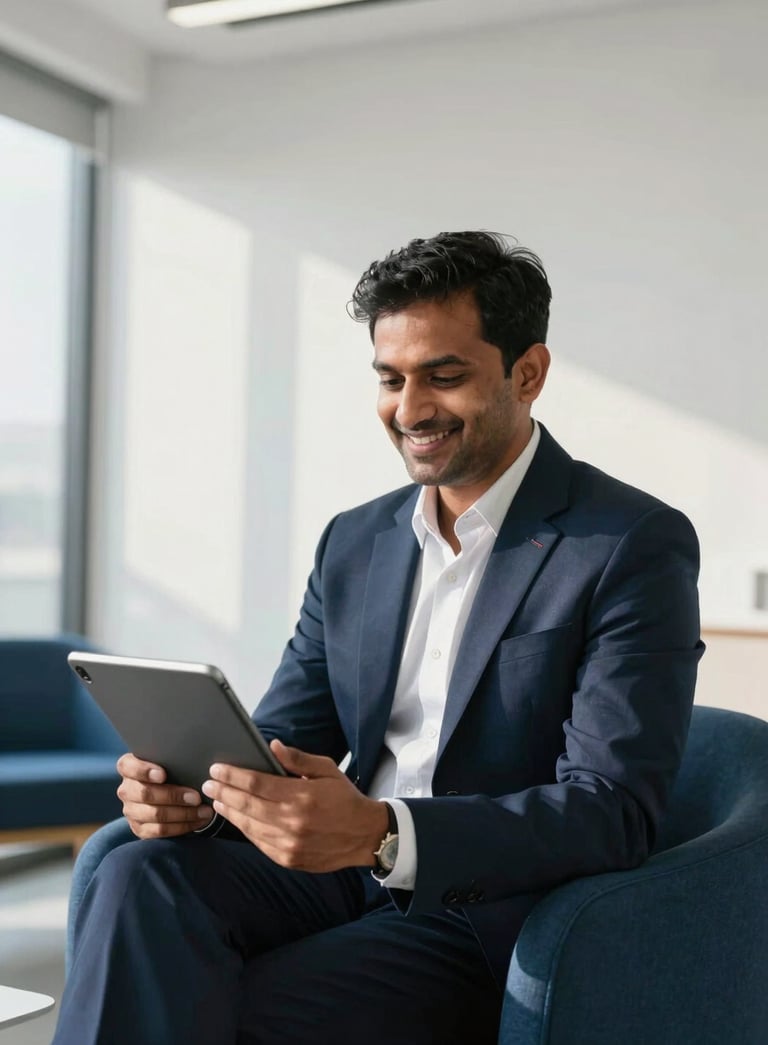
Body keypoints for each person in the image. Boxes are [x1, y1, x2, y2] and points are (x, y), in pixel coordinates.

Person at [53, 231, 703, 1045]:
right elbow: (287, 735)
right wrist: (198, 789)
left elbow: (614, 812)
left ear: (527, 373)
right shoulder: (355, 541)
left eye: (445, 375)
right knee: (138, 869)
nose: (409, 408)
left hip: (485, 910)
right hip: (333, 871)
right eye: (390, 378)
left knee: (225, 1013)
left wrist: (383, 830)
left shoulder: (628, 542)